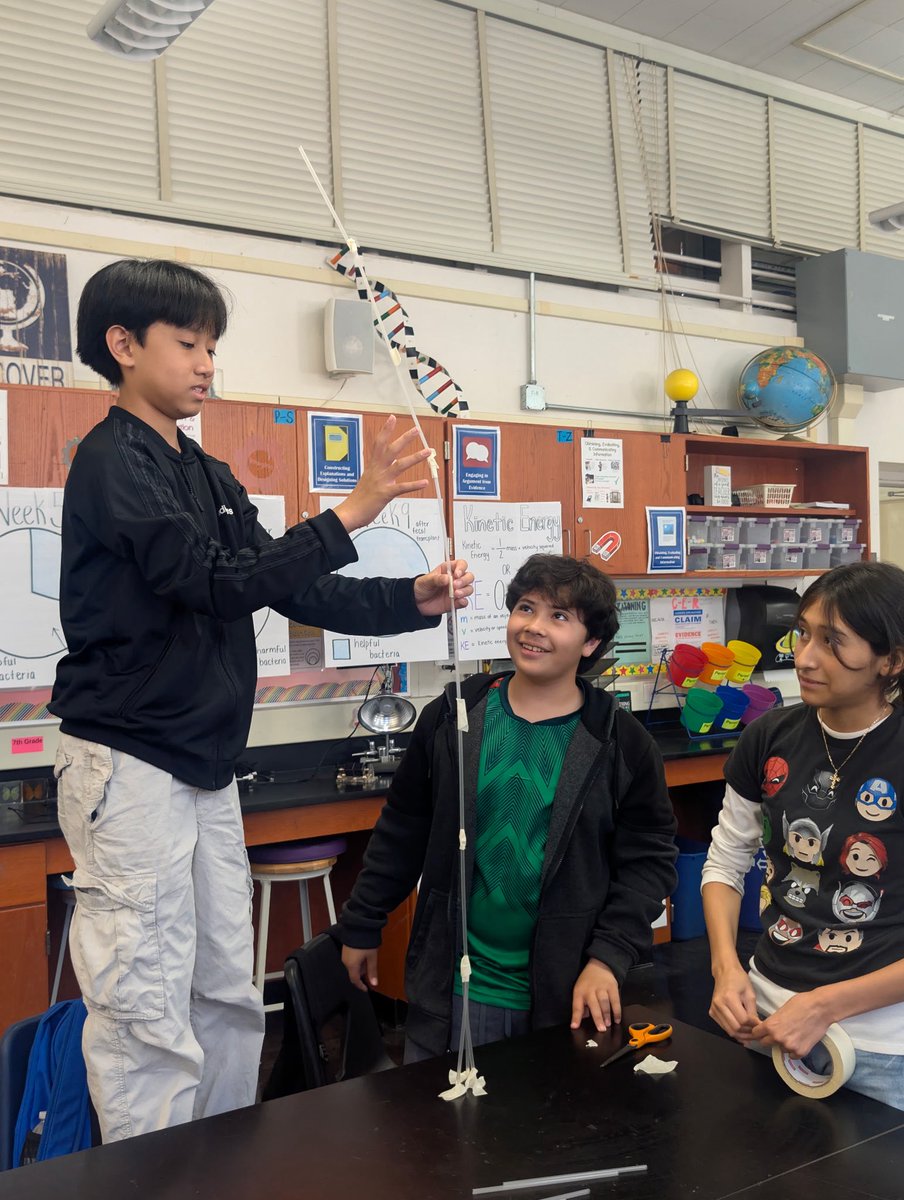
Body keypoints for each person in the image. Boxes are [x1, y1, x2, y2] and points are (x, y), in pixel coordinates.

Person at [48, 257, 474, 1141]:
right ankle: (150, 1176)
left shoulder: (199, 470)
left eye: (214, 346)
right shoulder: (108, 461)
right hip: (129, 763)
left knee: (226, 989)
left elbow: (283, 580)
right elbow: (211, 582)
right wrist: (350, 513)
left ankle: (226, 1164)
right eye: (188, 344)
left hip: (201, 765)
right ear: (122, 346)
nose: (207, 363)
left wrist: (410, 600)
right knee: (143, 1003)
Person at [338, 553, 678, 1061]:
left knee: (545, 1133)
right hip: (452, 988)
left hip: (565, 992)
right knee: (437, 1132)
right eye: (526, 608)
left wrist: (608, 957)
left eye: (559, 617)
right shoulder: (453, 716)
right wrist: (363, 922)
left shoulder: (619, 742)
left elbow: (649, 861)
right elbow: (403, 828)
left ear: (591, 644)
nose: (534, 628)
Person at [703, 561, 904, 1109]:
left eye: (835, 641)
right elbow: (725, 862)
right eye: (805, 633)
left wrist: (825, 1005)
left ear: (892, 660)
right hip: (764, 1022)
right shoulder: (770, 736)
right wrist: (725, 969)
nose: (806, 656)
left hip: (881, 1048)